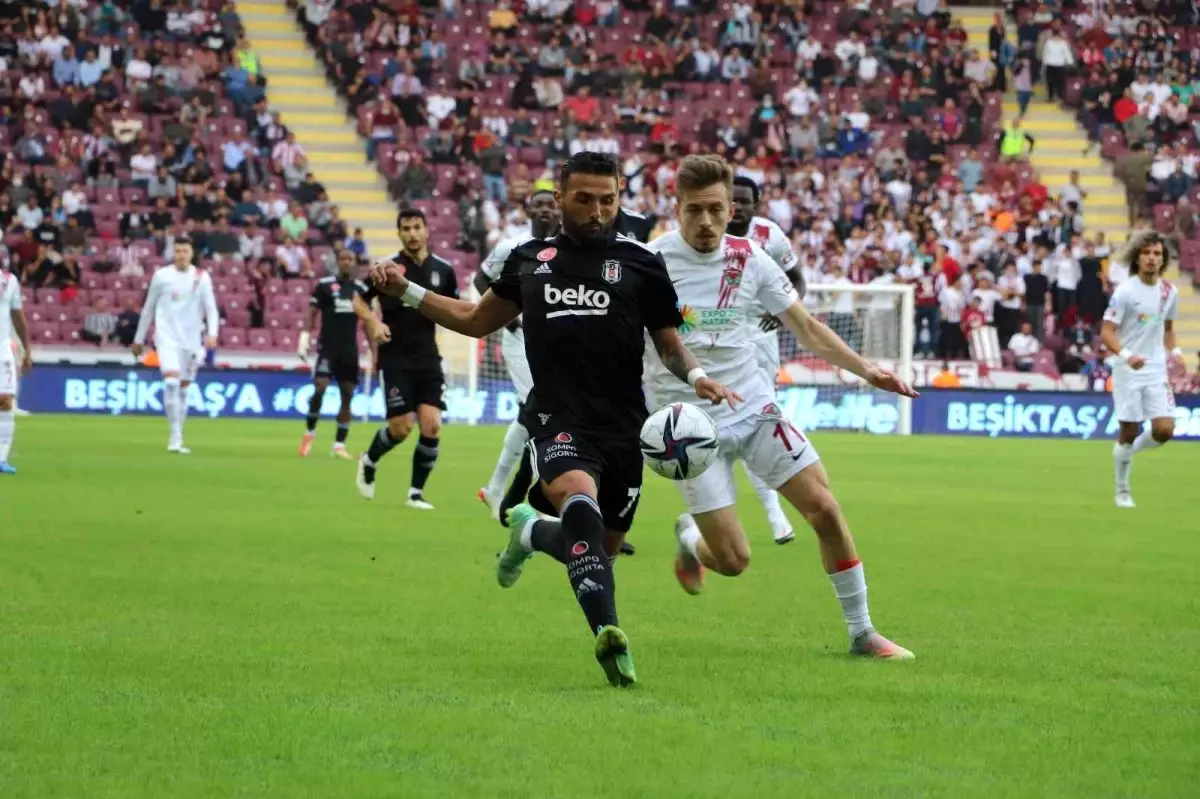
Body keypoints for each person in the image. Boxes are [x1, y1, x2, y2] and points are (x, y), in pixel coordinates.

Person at [367, 152, 738, 686]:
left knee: (596, 552)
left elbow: (669, 344)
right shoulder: (529, 259)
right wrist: (404, 290)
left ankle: (531, 533)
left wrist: (698, 375)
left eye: (607, 200)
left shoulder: (640, 265)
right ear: (559, 199)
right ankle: (610, 637)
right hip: (558, 417)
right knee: (580, 504)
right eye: (583, 199)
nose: (596, 211)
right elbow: (473, 321)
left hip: (624, 427)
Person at [649, 154, 916, 660]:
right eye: (693, 211)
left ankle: (862, 633)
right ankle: (692, 541)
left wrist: (868, 370)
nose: (705, 222)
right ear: (676, 209)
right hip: (688, 428)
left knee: (827, 510)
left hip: (754, 409)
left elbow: (807, 329)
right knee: (732, 560)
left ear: (732, 209)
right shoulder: (650, 261)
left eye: (715, 209)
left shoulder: (751, 259)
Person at [352, 209, 459, 509]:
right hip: (395, 357)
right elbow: (358, 299)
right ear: (399, 233)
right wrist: (373, 322)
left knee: (432, 426)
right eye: (406, 228)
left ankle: (415, 493)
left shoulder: (444, 270)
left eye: (417, 227)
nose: (412, 233)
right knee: (401, 428)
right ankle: (370, 459)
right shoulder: (387, 268)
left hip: (428, 357)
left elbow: (454, 306)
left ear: (427, 230)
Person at [724, 175, 807, 545]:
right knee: (728, 423)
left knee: (762, 417)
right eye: (733, 200)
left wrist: (786, 310)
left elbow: (797, 280)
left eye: (744, 201)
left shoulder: (770, 236)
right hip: (720, 338)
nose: (737, 207)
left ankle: (774, 513)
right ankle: (769, 515)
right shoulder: (707, 231)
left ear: (756, 204)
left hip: (761, 338)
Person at [474, 189, 558, 518]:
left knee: (531, 413)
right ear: (528, 210)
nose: (545, 211)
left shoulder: (565, 250)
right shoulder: (512, 247)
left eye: (550, 205)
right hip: (520, 338)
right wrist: (506, 317)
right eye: (538, 206)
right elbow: (481, 279)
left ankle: (496, 488)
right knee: (539, 407)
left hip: (554, 340)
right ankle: (546, 497)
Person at [1101, 231, 1183, 509]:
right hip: (1127, 369)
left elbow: (1168, 330)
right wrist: (1126, 354)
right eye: (1146, 253)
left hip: (1156, 370)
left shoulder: (1170, 293)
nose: (1151, 258)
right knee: (1129, 429)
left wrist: (1176, 353)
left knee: (1164, 430)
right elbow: (1107, 332)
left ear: (1163, 259)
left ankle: (1127, 454)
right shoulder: (1125, 291)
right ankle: (1122, 489)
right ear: (1137, 257)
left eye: (1157, 254)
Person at [131, 236, 219, 454]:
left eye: (185, 251)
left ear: (191, 253)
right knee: (171, 382)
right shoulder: (161, 276)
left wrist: (212, 333)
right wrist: (138, 339)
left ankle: (179, 432)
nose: (181, 255)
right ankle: (174, 437)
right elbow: (148, 308)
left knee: (183, 390)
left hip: (191, 341)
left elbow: (211, 309)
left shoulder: (201, 277)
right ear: (173, 253)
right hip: (166, 338)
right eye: (177, 251)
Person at [298, 249, 369, 459]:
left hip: (349, 351)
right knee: (320, 387)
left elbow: (368, 322)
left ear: (355, 263)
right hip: (327, 348)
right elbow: (312, 313)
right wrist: (304, 337)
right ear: (338, 262)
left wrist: (376, 352)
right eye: (343, 259)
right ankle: (309, 432)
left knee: (347, 396)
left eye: (350, 259)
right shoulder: (324, 285)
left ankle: (339, 445)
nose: (346, 262)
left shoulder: (362, 289)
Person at [0, 265, 32, 474]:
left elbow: (17, 315)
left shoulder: (9, 280)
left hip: (1, 348)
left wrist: (27, 349)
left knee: (5, 401)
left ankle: (1, 458)